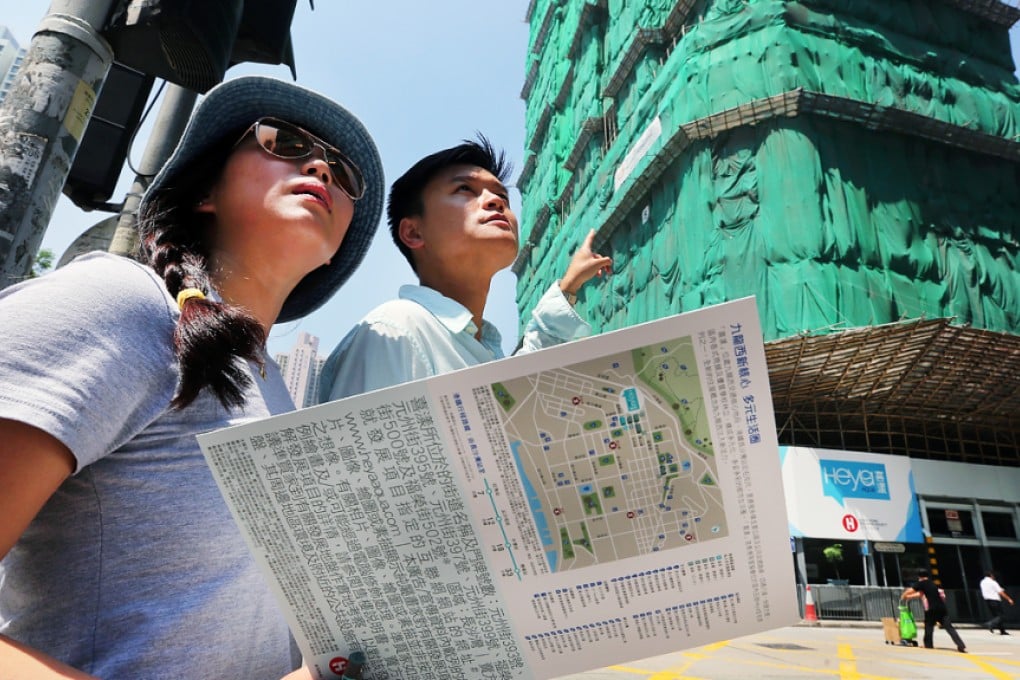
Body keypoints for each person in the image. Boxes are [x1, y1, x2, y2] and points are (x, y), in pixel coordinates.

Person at [0, 75, 384, 679]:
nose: (322, 167)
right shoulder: (122, 303)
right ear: (205, 191)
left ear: (336, 249)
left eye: (345, 174)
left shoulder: (279, 395)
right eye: (284, 142)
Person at [319, 135, 612, 401]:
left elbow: (521, 387)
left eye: (503, 197)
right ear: (414, 233)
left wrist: (568, 287)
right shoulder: (396, 330)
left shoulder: (481, 347)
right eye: (465, 189)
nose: (496, 201)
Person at [901, 570, 966, 653]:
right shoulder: (932, 584)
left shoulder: (922, 583)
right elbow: (921, 595)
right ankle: (961, 645)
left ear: (919, 577)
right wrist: (909, 597)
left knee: (928, 627)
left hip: (932, 609)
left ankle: (928, 645)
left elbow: (911, 590)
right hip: (942, 608)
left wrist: (903, 596)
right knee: (949, 628)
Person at [980, 570, 1014, 635]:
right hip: (995, 600)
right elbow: (1000, 592)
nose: (994, 577)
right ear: (991, 575)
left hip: (987, 601)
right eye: (993, 575)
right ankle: (990, 623)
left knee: (996, 616)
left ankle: (1002, 630)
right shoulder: (993, 582)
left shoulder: (982, 582)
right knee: (1002, 616)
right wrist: (1009, 599)